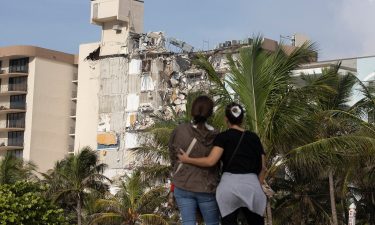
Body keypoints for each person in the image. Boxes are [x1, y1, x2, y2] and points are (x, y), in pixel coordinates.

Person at [178, 102, 267, 225]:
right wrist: (258, 184)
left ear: (226, 119)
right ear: (242, 118)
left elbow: (210, 161)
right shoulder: (254, 137)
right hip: (252, 186)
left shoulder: (223, 137)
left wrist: (187, 160)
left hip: (229, 187)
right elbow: (263, 167)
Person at [168, 95, 220, 225]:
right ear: (210, 113)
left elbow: (173, 155)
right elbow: (216, 162)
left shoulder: (180, 130)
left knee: (188, 222)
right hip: (206, 186)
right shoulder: (216, 136)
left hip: (183, 184)